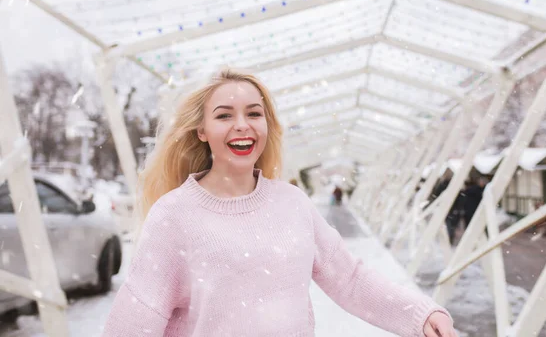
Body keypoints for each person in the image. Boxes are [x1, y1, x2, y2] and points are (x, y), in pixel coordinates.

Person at [102, 69, 456, 337]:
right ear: (202, 131)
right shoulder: (174, 215)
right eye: (224, 115)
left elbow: (348, 278)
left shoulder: (292, 202)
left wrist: (420, 314)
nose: (242, 126)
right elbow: (137, 317)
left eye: (254, 114)